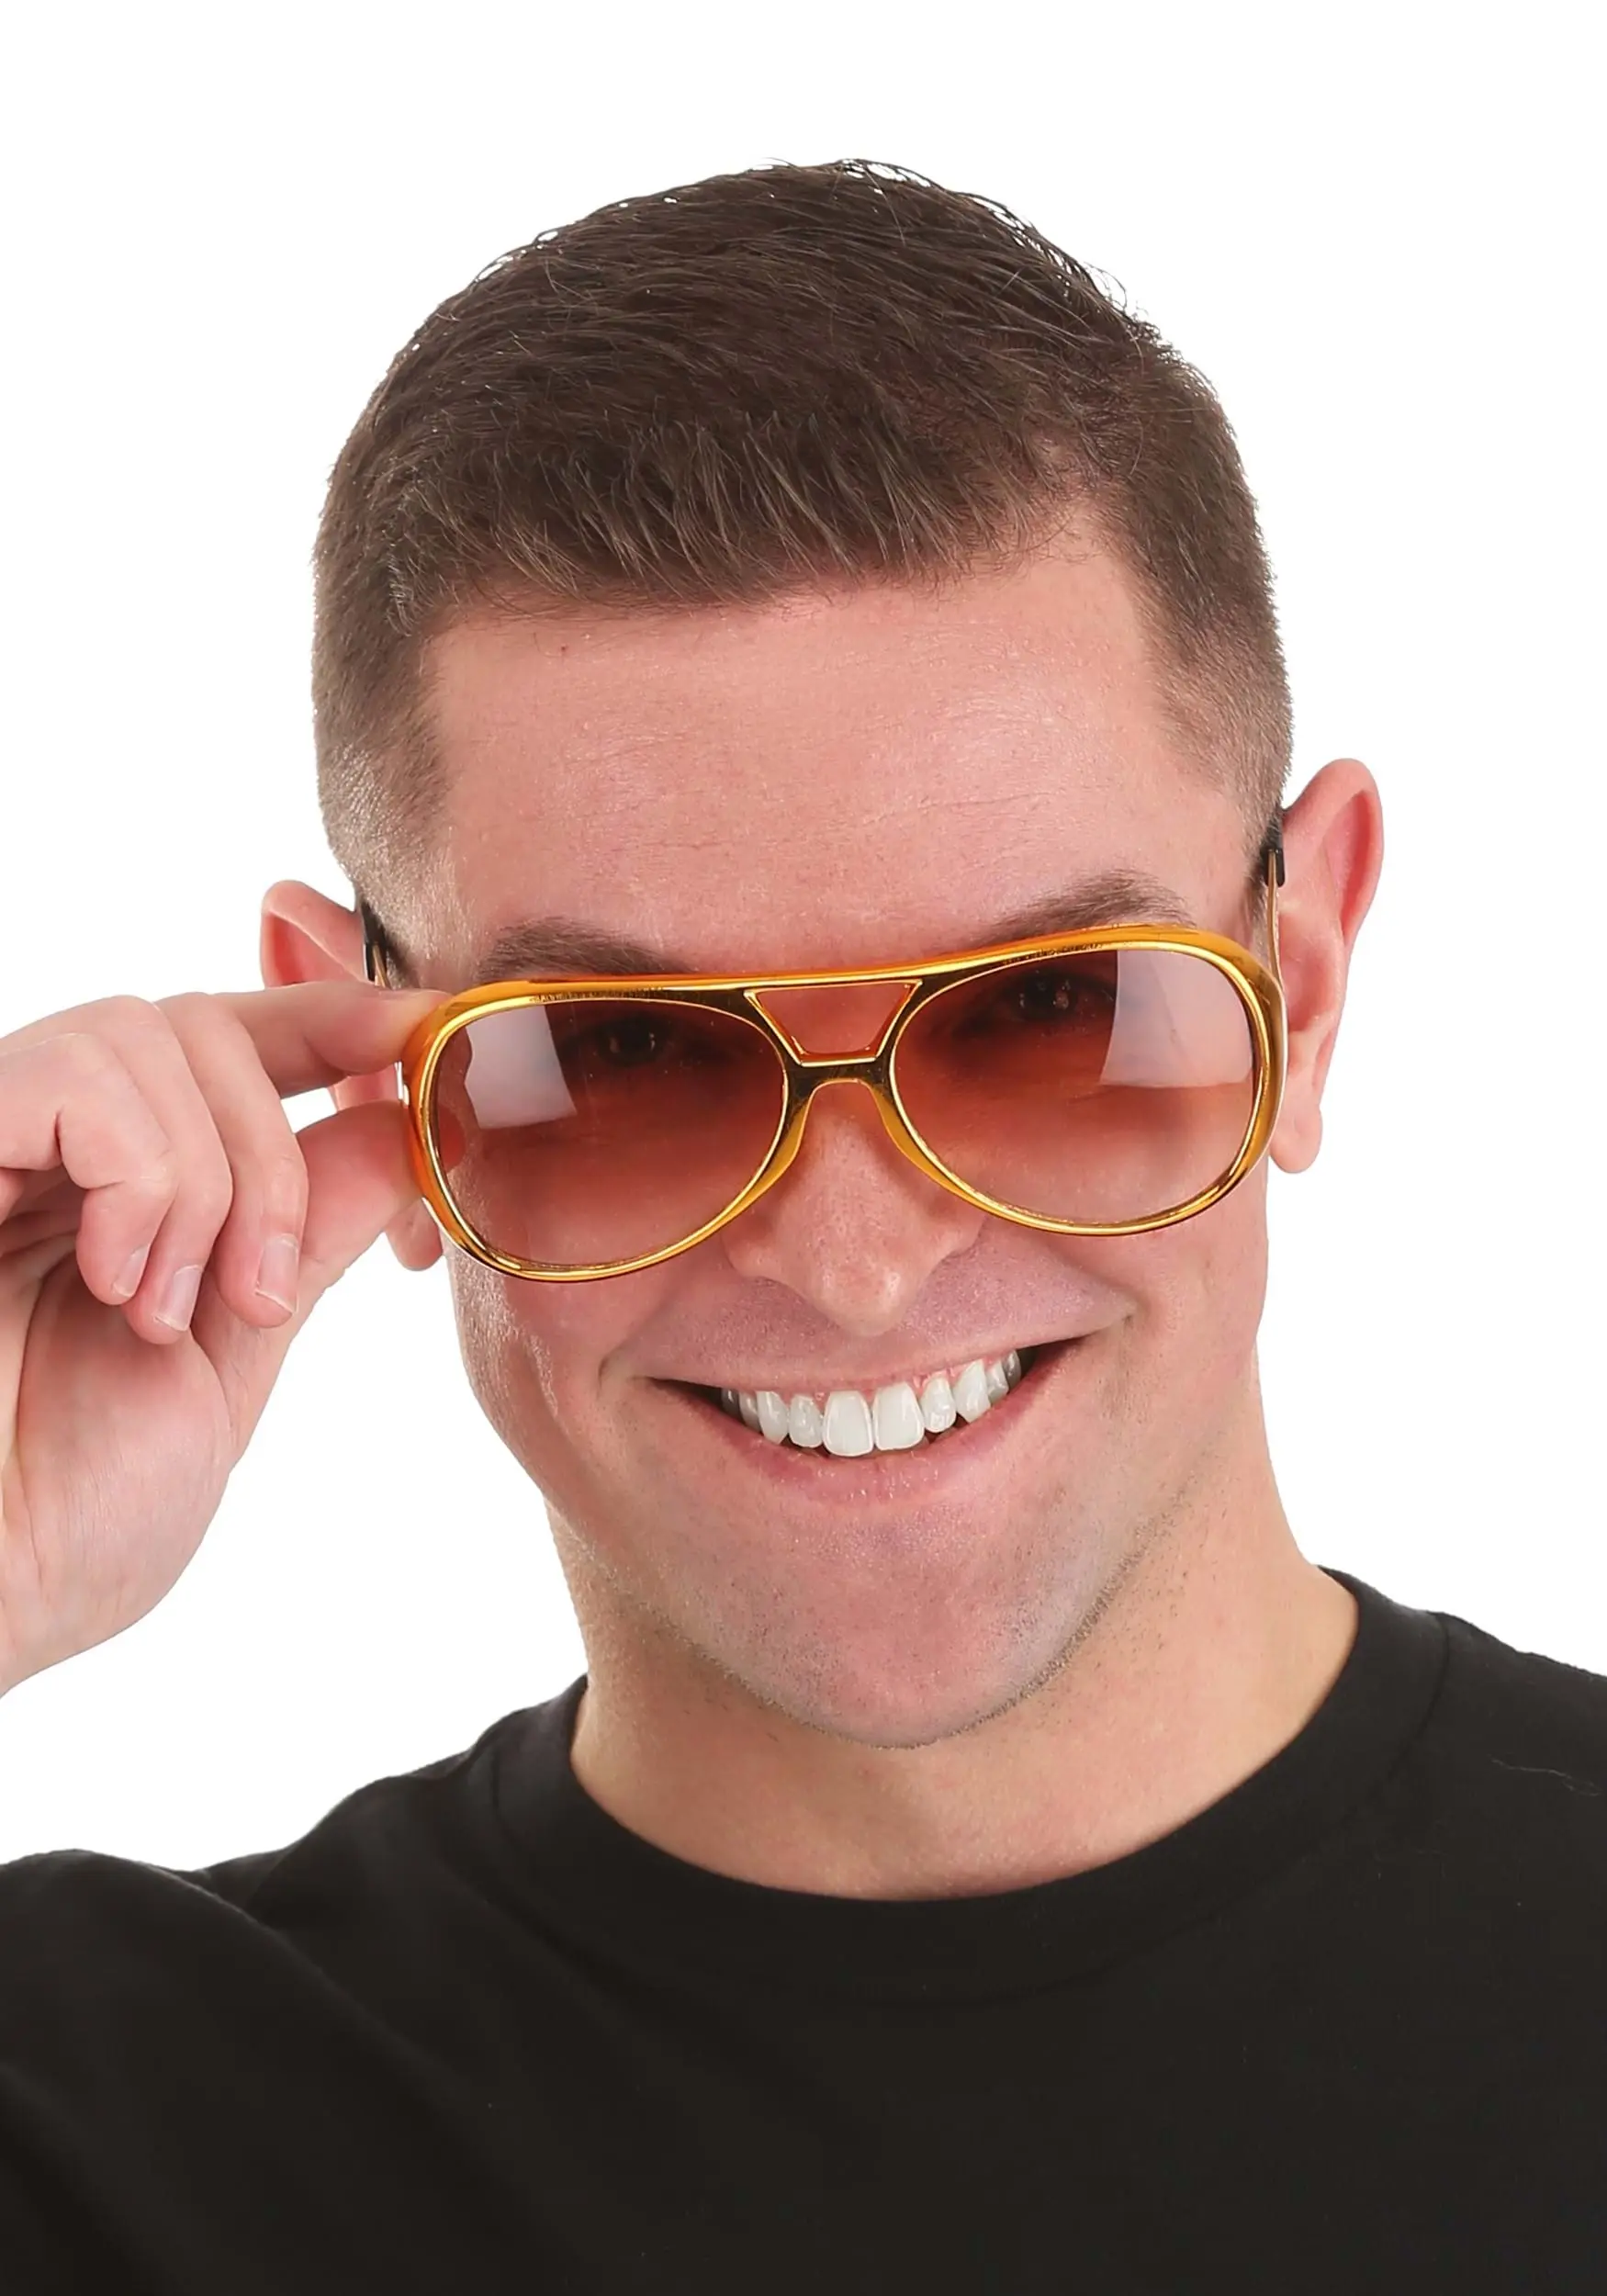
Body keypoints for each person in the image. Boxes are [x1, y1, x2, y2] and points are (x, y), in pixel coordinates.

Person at [0, 157, 1601, 2294]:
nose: (853, 1262)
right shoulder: (89, 2130)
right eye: (621, 1054)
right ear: (373, 1076)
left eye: (1044, 1016)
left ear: (1297, 991)